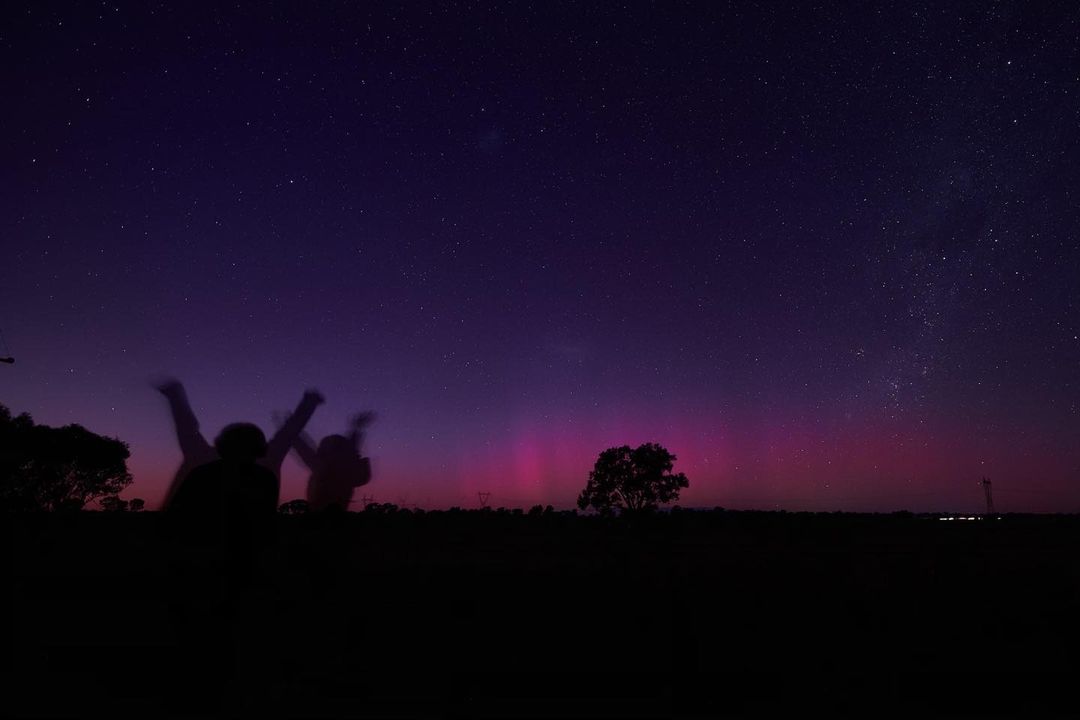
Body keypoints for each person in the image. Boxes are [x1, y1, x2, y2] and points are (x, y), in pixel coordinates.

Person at [156, 378, 324, 509]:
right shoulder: (266, 462)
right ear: (259, 447)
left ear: (221, 443)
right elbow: (288, 434)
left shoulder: (202, 457)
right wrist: (309, 403)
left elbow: (185, 426)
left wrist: (174, 394)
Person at [276, 411, 374, 511]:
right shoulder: (346, 469)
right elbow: (349, 449)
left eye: (323, 447)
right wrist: (356, 429)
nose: (319, 449)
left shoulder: (324, 467)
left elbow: (303, 449)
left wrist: (290, 430)